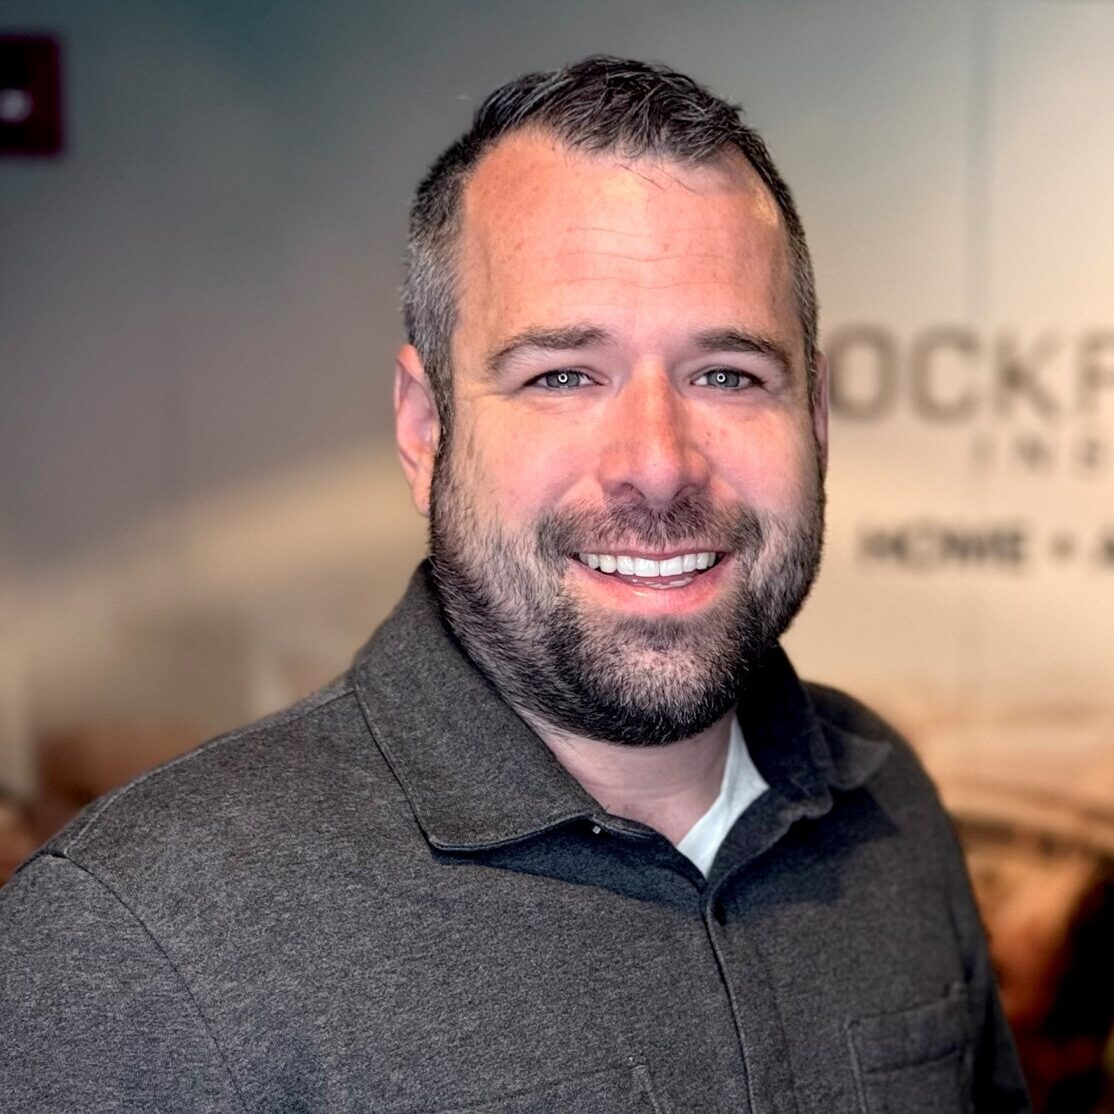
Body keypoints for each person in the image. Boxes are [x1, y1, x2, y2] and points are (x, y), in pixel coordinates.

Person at [0, 57, 1030, 1112]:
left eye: (728, 374)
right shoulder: (135, 947)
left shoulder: (885, 807)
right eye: (562, 376)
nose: (659, 463)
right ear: (424, 428)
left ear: (813, 422)